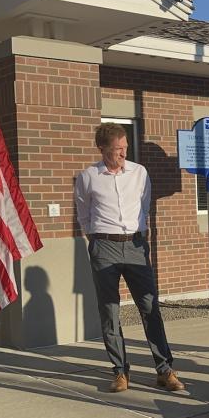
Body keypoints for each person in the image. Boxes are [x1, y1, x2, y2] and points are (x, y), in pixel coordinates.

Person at [75, 122, 184, 393]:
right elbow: (84, 215)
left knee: (149, 307)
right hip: (104, 246)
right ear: (102, 149)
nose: (123, 154)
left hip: (135, 245)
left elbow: (144, 205)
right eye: (117, 150)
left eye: (125, 148)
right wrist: (98, 241)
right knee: (109, 311)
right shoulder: (88, 176)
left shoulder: (139, 172)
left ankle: (164, 370)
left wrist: (138, 236)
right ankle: (120, 372)